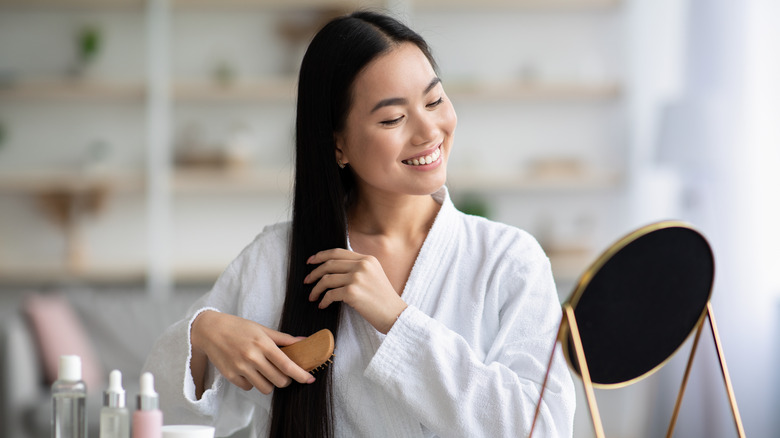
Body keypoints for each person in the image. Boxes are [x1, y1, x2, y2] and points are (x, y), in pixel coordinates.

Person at [144, 10, 575, 438]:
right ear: (338, 145)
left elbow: (543, 427)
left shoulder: (510, 260)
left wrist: (396, 319)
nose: (429, 131)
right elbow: (159, 412)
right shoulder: (278, 258)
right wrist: (201, 334)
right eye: (393, 118)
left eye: (434, 100)